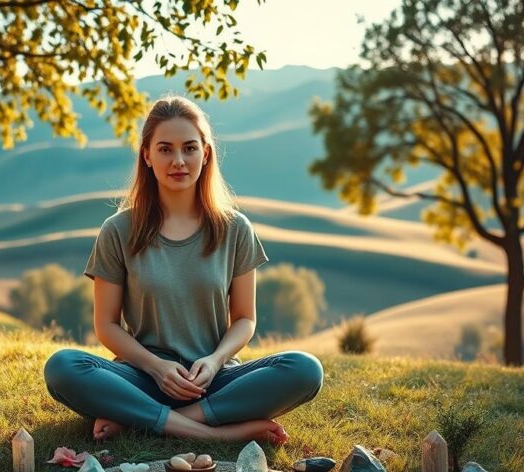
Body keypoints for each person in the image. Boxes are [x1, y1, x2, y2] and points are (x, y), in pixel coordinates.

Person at [43, 96, 323, 445]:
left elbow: (244, 320)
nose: (178, 161)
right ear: (147, 155)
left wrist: (215, 359)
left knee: (305, 369)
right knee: (63, 366)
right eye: (165, 149)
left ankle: (148, 421)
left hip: (213, 380)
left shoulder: (235, 228)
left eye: (189, 148)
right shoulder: (117, 231)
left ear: (205, 154)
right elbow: (107, 326)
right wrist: (156, 368)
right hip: (142, 377)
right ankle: (215, 434)